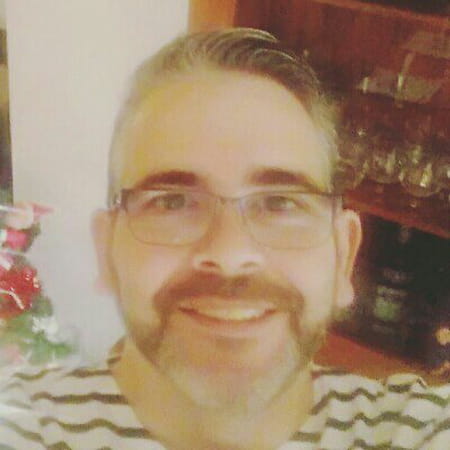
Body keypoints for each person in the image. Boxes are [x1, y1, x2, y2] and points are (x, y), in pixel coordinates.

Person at [1, 28, 449, 450]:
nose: (231, 254)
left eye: (280, 203)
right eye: (172, 202)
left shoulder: (421, 428)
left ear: (343, 255)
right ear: (107, 251)